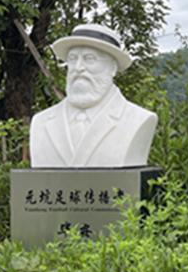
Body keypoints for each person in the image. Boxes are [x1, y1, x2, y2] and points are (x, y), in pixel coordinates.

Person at [29, 24, 158, 168]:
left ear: (112, 68)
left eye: (89, 59)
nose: (78, 68)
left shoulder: (137, 119)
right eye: (72, 59)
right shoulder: (41, 122)